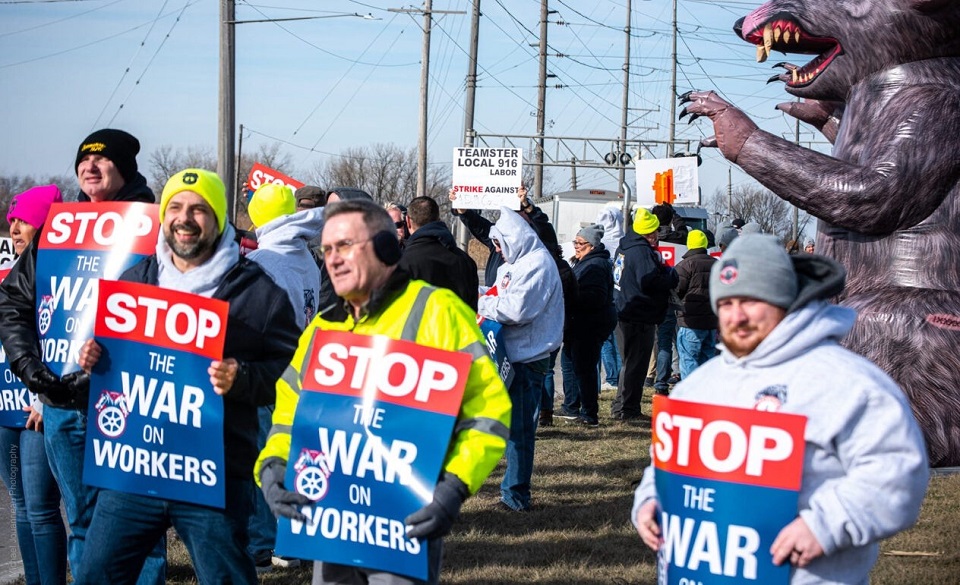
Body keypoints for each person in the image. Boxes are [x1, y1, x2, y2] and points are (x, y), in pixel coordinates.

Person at [632, 234, 929, 584]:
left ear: (785, 300)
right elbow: (667, 467)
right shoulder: (697, 387)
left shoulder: (847, 384)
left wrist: (824, 525)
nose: (737, 316)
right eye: (726, 304)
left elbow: (897, 474)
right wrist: (651, 500)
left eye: (752, 301)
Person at [255, 198, 511, 585]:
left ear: (385, 248)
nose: (333, 259)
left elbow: (488, 411)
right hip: (329, 519)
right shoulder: (324, 328)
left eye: (345, 246)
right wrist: (272, 467)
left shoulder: (438, 312)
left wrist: (454, 487)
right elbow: (290, 410)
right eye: (326, 250)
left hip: (403, 525)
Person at [72, 168, 300, 585]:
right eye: (175, 207)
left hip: (211, 474)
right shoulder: (135, 280)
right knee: (95, 574)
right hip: (132, 470)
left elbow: (290, 367)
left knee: (225, 578)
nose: (185, 217)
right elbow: (115, 361)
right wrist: (95, 358)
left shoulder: (257, 291)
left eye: (199, 209)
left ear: (218, 219)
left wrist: (244, 377)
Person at [0, 128, 166, 584]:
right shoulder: (58, 228)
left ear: (126, 167)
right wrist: (33, 373)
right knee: (81, 520)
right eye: (83, 160)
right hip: (59, 403)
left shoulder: (155, 226)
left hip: (126, 401)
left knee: (140, 529)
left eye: (102, 159)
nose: (89, 167)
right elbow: (13, 303)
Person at [245, 181, 325, 572]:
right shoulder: (304, 254)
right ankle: (295, 540)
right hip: (303, 368)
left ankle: (263, 544)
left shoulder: (262, 260)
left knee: (266, 457)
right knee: (296, 458)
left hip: (271, 370)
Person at [0, 185, 68, 585]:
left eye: (24, 219)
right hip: (4, 402)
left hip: (36, 403)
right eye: (11, 221)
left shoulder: (60, 267)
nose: (15, 228)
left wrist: (44, 396)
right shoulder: (11, 268)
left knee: (41, 506)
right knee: (20, 503)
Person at [477, 208, 563, 511]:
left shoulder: (538, 264)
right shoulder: (513, 264)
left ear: (513, 238)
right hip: (507, 354)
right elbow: (496, 294)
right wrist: (479, 295)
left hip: (527, 359)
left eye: (499, 245)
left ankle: (515, 496)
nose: (498, 252)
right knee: (504, 427)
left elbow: (517, 310)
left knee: (520, 431)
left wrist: (481, 302)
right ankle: (511, 490)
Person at [610, 208, 678, 421]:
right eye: (655, 232)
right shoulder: (641, 252)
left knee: (629, 362)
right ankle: (628, 409)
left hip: (624, 310)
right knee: (636, 364)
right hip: (638, 314)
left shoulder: (625, 246)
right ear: (650, 233)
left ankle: (621, 406)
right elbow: (648, 281)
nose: (657, 236)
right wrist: (670, 277)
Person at [556, 224, 617, 427]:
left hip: (589, 324)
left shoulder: (596, 265)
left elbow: (595, 297)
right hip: (579, 323)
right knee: (568, 363)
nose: (576, 246)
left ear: (592, 245)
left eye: (580, 243)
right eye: (575, 242)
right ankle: (571, 406)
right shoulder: (585, 262)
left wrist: (571, 296)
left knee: (584, 368)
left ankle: (589, 413)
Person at [397, 195, 479, 311]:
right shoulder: (465, 261)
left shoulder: (402, 263)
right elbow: (472, 310)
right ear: (438, 218)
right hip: (457, 328)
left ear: (408, 222)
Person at [674, 229, 717, 379]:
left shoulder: (685, 266)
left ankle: (689, 397)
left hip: (689, 322)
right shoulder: (717, 264)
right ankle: (706, 397)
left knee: (688, 361)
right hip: (712, 323)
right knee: (708, 363)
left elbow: (676, 291)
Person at [596, 204, 624, 393]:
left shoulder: (600, 245)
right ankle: (620, 376)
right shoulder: (624, 243)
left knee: (606, 340)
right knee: (619, 340)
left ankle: (612, 377)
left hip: (605, 299)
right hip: (621, 298)